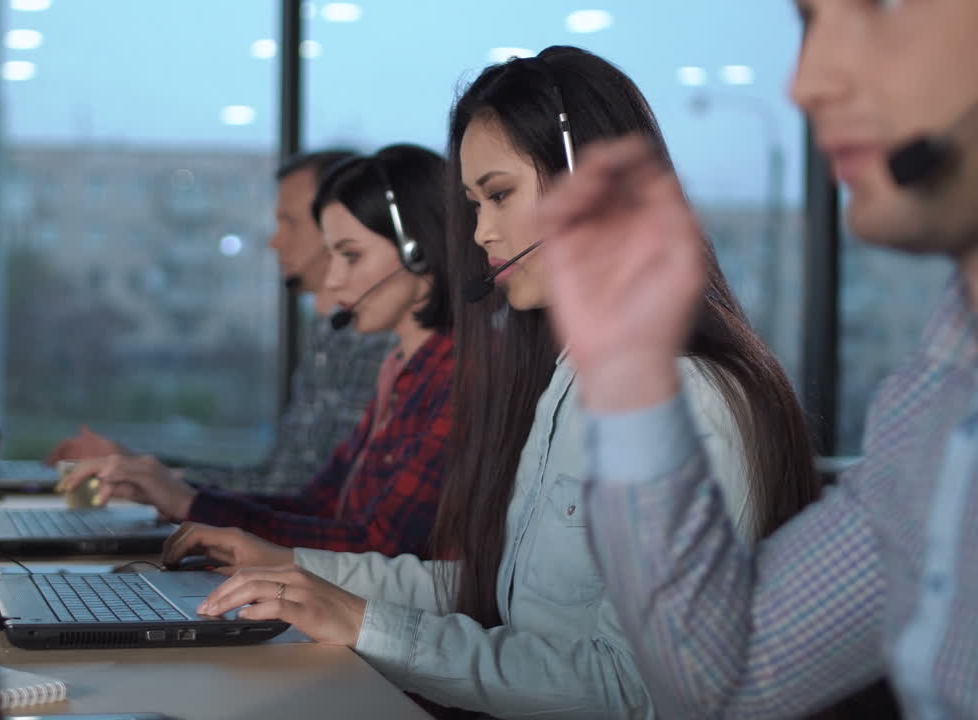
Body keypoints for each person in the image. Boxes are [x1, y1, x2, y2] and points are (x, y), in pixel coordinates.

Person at [162, 46, 825, 719]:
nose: (481, 231)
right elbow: (494, 593)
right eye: (474, 203)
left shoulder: (685, 403)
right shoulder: (570, 377)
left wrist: (365, 623)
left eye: (500, 194)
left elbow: (632, 692)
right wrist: (292, 568)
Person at [530, 2, 978, 718]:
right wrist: (628, 371)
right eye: (808, 21)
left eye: (878, 7)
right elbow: (730, 681)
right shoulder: (936, 395)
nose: (805, 84)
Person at [64, 144, 456, 558]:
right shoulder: (398, 368)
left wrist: (190, 503)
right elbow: (319, 502)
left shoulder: (457, 376)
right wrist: (186, 501)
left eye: (351, 255)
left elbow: (380, 548)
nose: (335, 280)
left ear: (419, 252)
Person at [46, 150, 396, 494]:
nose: (275, 242)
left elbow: (300, 493)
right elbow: (280, 479)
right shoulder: (332, 333)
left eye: (289, 221)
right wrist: (143, 472)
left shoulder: (376, 340)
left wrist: (159, 482)